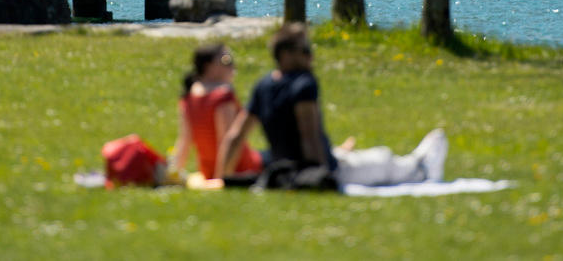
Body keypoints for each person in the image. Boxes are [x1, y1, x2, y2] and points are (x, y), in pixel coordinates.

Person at [218, 23, 447, 187]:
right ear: (286, 54)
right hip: (323, 169)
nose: (311, 56)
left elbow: (236, 135)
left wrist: (221, 178)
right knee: (383, 159)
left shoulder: (263, 85)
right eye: (305, 51)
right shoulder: (303, 84)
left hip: (283, 169)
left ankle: (418, 162)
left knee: (360, 156)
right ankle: (423, 168)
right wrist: (322, 176)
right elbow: (309, 135)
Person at [170, 44, 263, 181]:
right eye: (226, 60)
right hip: (239, 169)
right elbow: (225, 140)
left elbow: (184, 141)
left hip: (208, 171)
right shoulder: (222, 96)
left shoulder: (189, 97)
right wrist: (222, 179)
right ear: (209, 66)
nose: (232, 66)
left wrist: (174, 172)